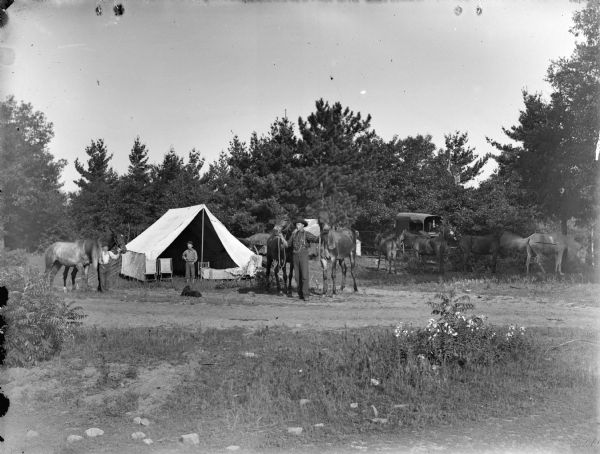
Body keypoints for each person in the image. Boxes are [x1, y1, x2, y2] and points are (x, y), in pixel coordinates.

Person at [289, 219, 318, 301]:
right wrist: (281, 238)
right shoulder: (293, 235)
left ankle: (306, 295)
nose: (296, 226)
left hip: (303, 255)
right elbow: (288, 244)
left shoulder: (307, 234)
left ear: (302, 225)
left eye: (298, 224)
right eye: (296, 224)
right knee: (297, 277)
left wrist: (322, 235)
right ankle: (300, 294)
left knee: (304, 276)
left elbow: (315, 239)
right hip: (295, 256)